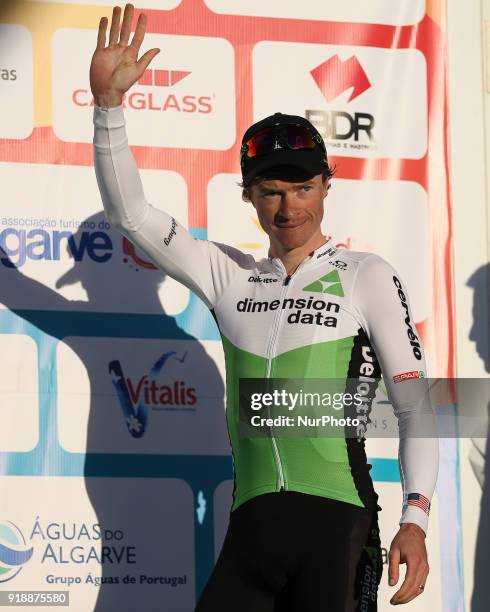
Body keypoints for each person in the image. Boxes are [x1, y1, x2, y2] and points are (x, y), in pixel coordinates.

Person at [90, 4, 439, 610]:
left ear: (327, 186)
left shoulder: (367, 276)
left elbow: (413, 407)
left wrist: (416, 519)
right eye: (271, 192)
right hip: (251, 530)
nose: (289, 208)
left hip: (338, 525)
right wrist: (108, 109)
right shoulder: (230, 277)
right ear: (248, 195)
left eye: (303, 188)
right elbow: (132, 215)